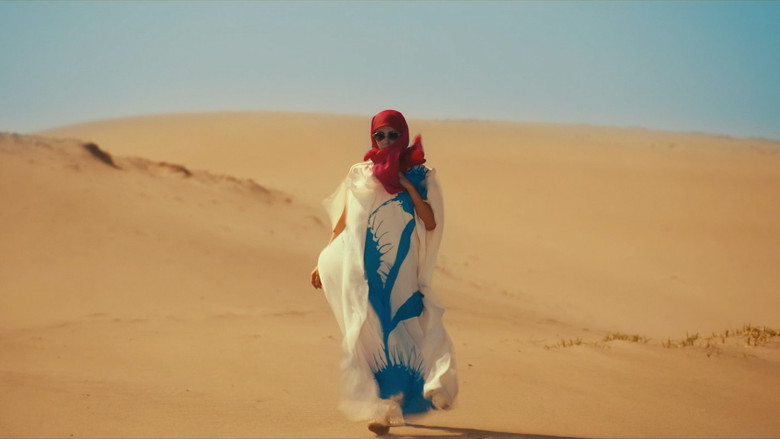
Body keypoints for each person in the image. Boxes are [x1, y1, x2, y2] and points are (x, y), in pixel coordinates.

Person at [311, 110, 458, 435]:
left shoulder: (420, 175)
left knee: (402, 332)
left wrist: (407, 186)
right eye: (380, 135)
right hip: (365, 269)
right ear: (372, 137)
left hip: (402, 271)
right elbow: (344, 220)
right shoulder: (361, 173)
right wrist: (325, 257)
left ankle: (399, 398)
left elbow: (430, 222)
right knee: (368, 330)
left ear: (403, 136)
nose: (386, 141)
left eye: (393, 135)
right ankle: (383, 406)